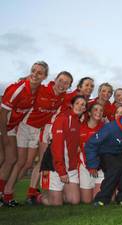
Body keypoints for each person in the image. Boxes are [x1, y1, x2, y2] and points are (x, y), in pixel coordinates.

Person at [2, 71, 72, 206]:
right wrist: (24, 80)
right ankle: (6, 192)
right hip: (24, 126)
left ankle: (9, 191)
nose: (63, 84)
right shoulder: (42, 89)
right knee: (18, 161)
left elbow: (76, 96)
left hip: (37, 130)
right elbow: (30, 86)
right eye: (61, 80)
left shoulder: (63, 97)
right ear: (55, 79)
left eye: (66, 83)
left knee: (27, 163)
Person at [0, 61, 48, 203]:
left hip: (12, 127)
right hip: (3, 126)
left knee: (11, 160)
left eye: (39, 73)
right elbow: (2, 113)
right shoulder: (17, 89)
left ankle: (4, 195)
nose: (35, 74)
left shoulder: (39, 89)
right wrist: (4, 135)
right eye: (33, 71)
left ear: (44, 76)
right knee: (8, 159)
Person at [39, 95, 86, 206]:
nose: (80, 106)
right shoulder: (63, 118)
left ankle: (58, 193)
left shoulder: (79, 122)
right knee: (56, 204)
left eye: (83, 105)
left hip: (70, 167)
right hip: (54, 165)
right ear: (72, 105)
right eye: (77, 103)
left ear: (84, 109)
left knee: (74, 201)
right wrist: (61, 171)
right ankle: (42, 197)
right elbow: (57, 146)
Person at [78, 103, 105, 203]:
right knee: (86, 201)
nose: (98, 112)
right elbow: (79, 150)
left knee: (98, 199)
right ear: (89, 113)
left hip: (100, 166)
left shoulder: (105, 128)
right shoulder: (80, 128)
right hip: (85, 166)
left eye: (101, 110)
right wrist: (89, 166)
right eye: (96, 110)